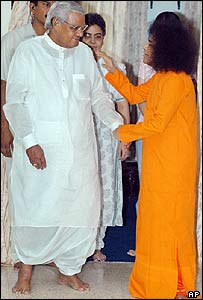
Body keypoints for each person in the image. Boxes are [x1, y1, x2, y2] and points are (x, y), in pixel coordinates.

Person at [3, 1, 123, 295]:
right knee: (35, 208)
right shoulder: (28, 53)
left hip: (81, 150)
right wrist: (29, 142)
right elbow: (15, 103)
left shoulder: (84, 55)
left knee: (81, 209)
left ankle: (69, 270)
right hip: (41, 150)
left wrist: (117, 125)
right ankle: (26, 271)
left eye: (82, 28)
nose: (80, 34)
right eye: (75, 28)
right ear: (54, 23)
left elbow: (98, 98)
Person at [96, 11, 199, 299]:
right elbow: (133, 94)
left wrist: (121, 133)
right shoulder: (162, 78)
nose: (145, 47)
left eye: (150, 42)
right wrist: (109, 66)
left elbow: (156, 124)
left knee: (169, 225)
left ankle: (181, 289)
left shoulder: (178, 81)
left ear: (165, 46)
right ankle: (158, 283)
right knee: (153, 222)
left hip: (174, 167)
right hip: (157, 163)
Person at [1, 0, 56, 266]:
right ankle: (24, 258)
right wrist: (4, 130)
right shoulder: (14, 40)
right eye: (46, 3)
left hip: (53, 131)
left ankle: (51, 254)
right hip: (21, 130)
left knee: (51, 191)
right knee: (22, 192)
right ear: (32, 8)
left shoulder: (62, 41)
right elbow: (3, 86)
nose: (51, 8)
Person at [127, 11, 184, 259]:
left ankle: (166, 250)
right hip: (148, 132)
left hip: (170, 138)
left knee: (169, 195)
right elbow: (139, 98)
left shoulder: (182, 65)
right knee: (147, 192)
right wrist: (148, 125)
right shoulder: (147, 60)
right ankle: (146, 247)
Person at [81, 12, 130, 262]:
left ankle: (98, 244)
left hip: (107, 134)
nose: (92, 41)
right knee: (80, 189)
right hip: (78, 134)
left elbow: (123, 104)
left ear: (104, 38)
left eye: (97, 37)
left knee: (103, 189)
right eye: (87, 35)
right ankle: (75, 246)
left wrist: (125, 139)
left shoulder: (113, 67)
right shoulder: (72, 62)